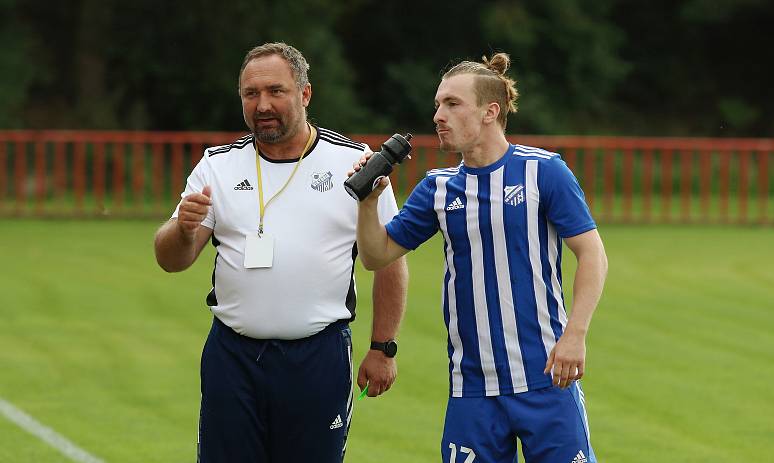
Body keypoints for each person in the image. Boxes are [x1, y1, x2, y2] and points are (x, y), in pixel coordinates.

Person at [154, 42, 408, 463]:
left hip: (318, 356)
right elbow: (172, 259)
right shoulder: (217, 165)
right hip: (232, 357)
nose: (263, 104)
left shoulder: (353, 163)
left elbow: (389, 260)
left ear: (305, 94)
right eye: (251, 94)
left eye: (276, 91)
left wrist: (384, 347)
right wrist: (182, 227)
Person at [351, 53, 608, 463]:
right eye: (437, 104)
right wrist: (369, 203)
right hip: (471, 388)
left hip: (546, 380)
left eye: (452, 104)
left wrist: (575, 335)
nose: (438, 115)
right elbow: (376, 256)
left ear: (491, 112)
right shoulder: (438, 188)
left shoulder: (543, 172)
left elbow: (592, 253)